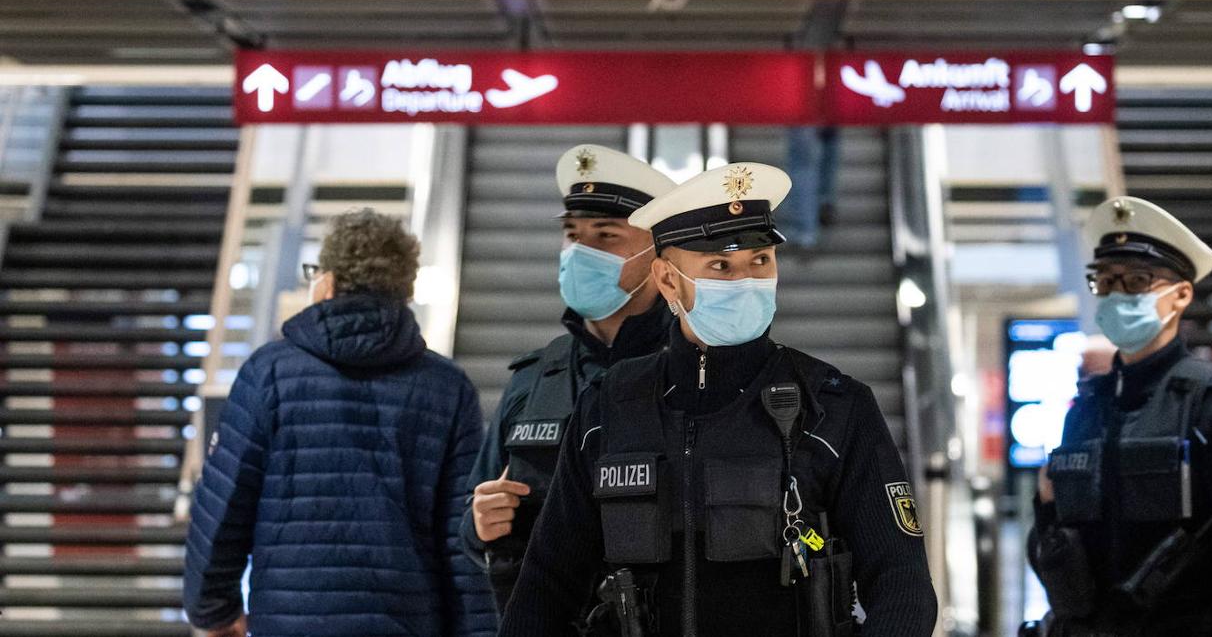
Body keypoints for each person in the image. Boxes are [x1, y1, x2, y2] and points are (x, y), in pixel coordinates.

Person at [498, 162, 938, 637]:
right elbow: (546, 582)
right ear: (667, 281)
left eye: (760, 261)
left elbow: (902, 585)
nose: (746, 280)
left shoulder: (833, 407)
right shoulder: (609, 405)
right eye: (720, 266)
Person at [183, 209, 495, 637]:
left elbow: (223, 503)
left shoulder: (269, 373)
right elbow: (464, 541)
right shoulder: (447, 387)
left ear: (326, 282)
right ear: (404, 292)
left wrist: (213, 611)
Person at [460, 145, 677, 615]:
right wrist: (479, 527)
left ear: (656, 251)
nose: (581, 252)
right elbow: (476, 522)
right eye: (572, 235)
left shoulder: (695, 372)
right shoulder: (534, 380)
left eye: (606, 236)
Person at [1027, 196, 1212, 637]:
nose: (1116, 295)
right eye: (1105, 282)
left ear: (1181, 294)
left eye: (1137, 281)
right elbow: (1055, 544)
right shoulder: (1087, 409)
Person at [784, 125, 841, 249]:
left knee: (801, 161)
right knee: (829, 143)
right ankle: (824, 199)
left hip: (802, 112)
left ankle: (804, 231)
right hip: (831, 109)